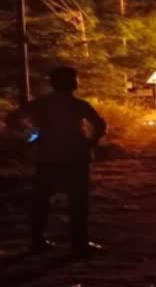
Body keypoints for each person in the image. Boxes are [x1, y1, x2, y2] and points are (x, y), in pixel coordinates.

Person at [6, 66, 107, 256]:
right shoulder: (80, 105)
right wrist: (90, 141)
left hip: (46, 158)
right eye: (75, 78)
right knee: (78, 203)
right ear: (72, 83)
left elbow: (11, 119)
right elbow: (100, 124)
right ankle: (79, 243)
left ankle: (38, 241)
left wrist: (31, 136)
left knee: (41, 201)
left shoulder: (40, 104)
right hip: (76, 158)